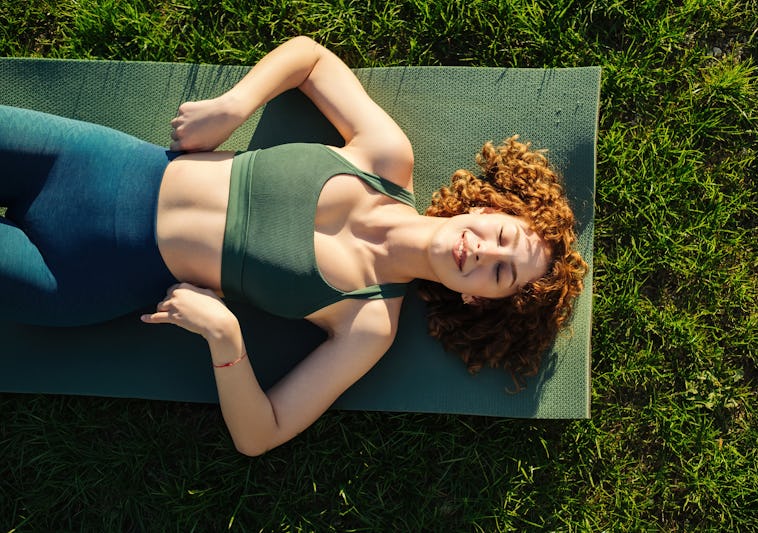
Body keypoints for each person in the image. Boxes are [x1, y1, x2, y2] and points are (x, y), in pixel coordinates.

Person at [0, 36, 586, 455]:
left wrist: (224, 338)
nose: (485, 253)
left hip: (79, 276)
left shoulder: (370, 320)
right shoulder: (386, 158)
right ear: (488, 209)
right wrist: (234, 106)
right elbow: (309, 57)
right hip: (96, 164)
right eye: (503, 238)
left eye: (500, 275)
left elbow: (262, 433)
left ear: (476, 301)